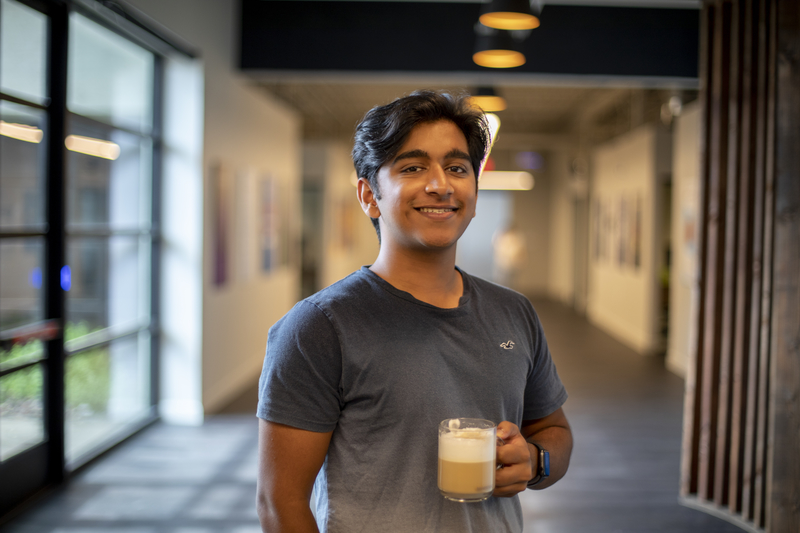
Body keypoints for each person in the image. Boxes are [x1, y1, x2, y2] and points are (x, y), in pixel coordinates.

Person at [256, 90, 572, 533]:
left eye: (458, 168)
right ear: (369, 196)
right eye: (413, 167)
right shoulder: (320, 326)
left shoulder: (513, 312)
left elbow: (555, 430)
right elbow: (279, 503)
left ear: (474, 193)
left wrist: (537, 461)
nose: (441, 184)